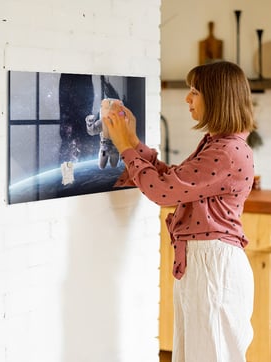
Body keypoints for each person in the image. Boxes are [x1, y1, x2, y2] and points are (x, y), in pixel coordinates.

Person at [103, 61, 256, 362]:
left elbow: (163, 192)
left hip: (212, 267)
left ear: (217, 98)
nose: (188, 99)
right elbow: (174, 180)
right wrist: (133, 143)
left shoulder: (226, 151)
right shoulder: (217, 145)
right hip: (205, 264)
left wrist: (125, 147)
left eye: (194, 92)